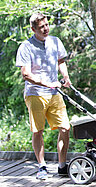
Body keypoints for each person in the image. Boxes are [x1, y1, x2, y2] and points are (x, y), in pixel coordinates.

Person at [15, 13, 72, 180]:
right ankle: (42, 166)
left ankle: (62, 166)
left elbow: (61, 61)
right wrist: (47, 83)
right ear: (33, 29)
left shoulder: (55, 41)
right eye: (41, 27)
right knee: (38, 131)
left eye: (47, 25)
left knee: (65, 128)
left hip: (55, 93)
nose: (46, 28)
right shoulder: (26, 47)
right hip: (35, 94)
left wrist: (66, 77)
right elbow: (26, 74)